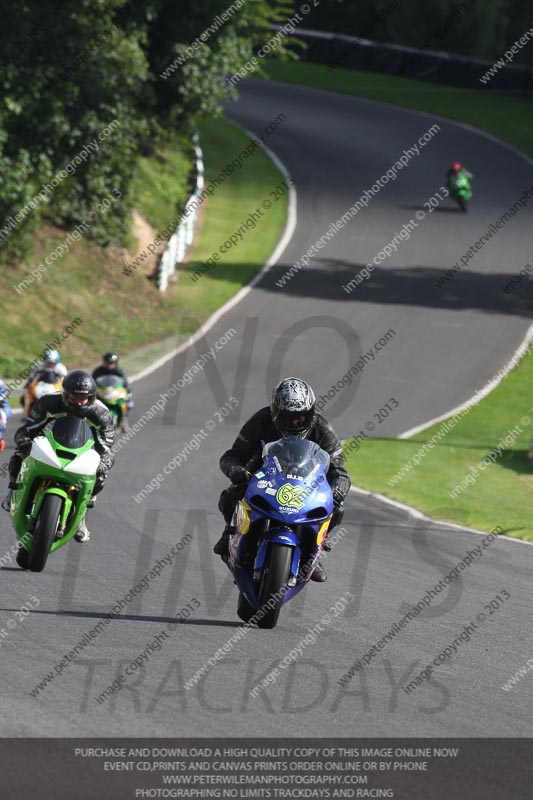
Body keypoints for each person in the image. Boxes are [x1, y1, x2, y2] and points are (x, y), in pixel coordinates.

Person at [213, 377, 351, 583]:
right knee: (233, 492)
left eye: (303, 417)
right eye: (289, 417)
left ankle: (316, 551)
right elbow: (232, 455)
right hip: (265, 476)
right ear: (275, 412)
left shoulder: (323, 429)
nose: (296, 422)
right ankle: (230, 532)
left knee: (337, 507)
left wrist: (338, 489)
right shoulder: (261, 421)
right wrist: (236, 470)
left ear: (311, 413)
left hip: (306, 485)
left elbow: (340, 471)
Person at [2, 370, 114, 543]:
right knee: (19, 455)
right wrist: (23, 439)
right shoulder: (48, 402)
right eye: (75, 397)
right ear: (65, 394)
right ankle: (12, 492)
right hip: (49, 445)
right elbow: (29, 428)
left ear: (91, 397)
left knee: (101, 476)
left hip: (81, 453)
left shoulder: (102, 415)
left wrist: (104, 462)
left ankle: (82, 514)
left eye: (84, 398)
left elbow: (106, 446)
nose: (79, 401)